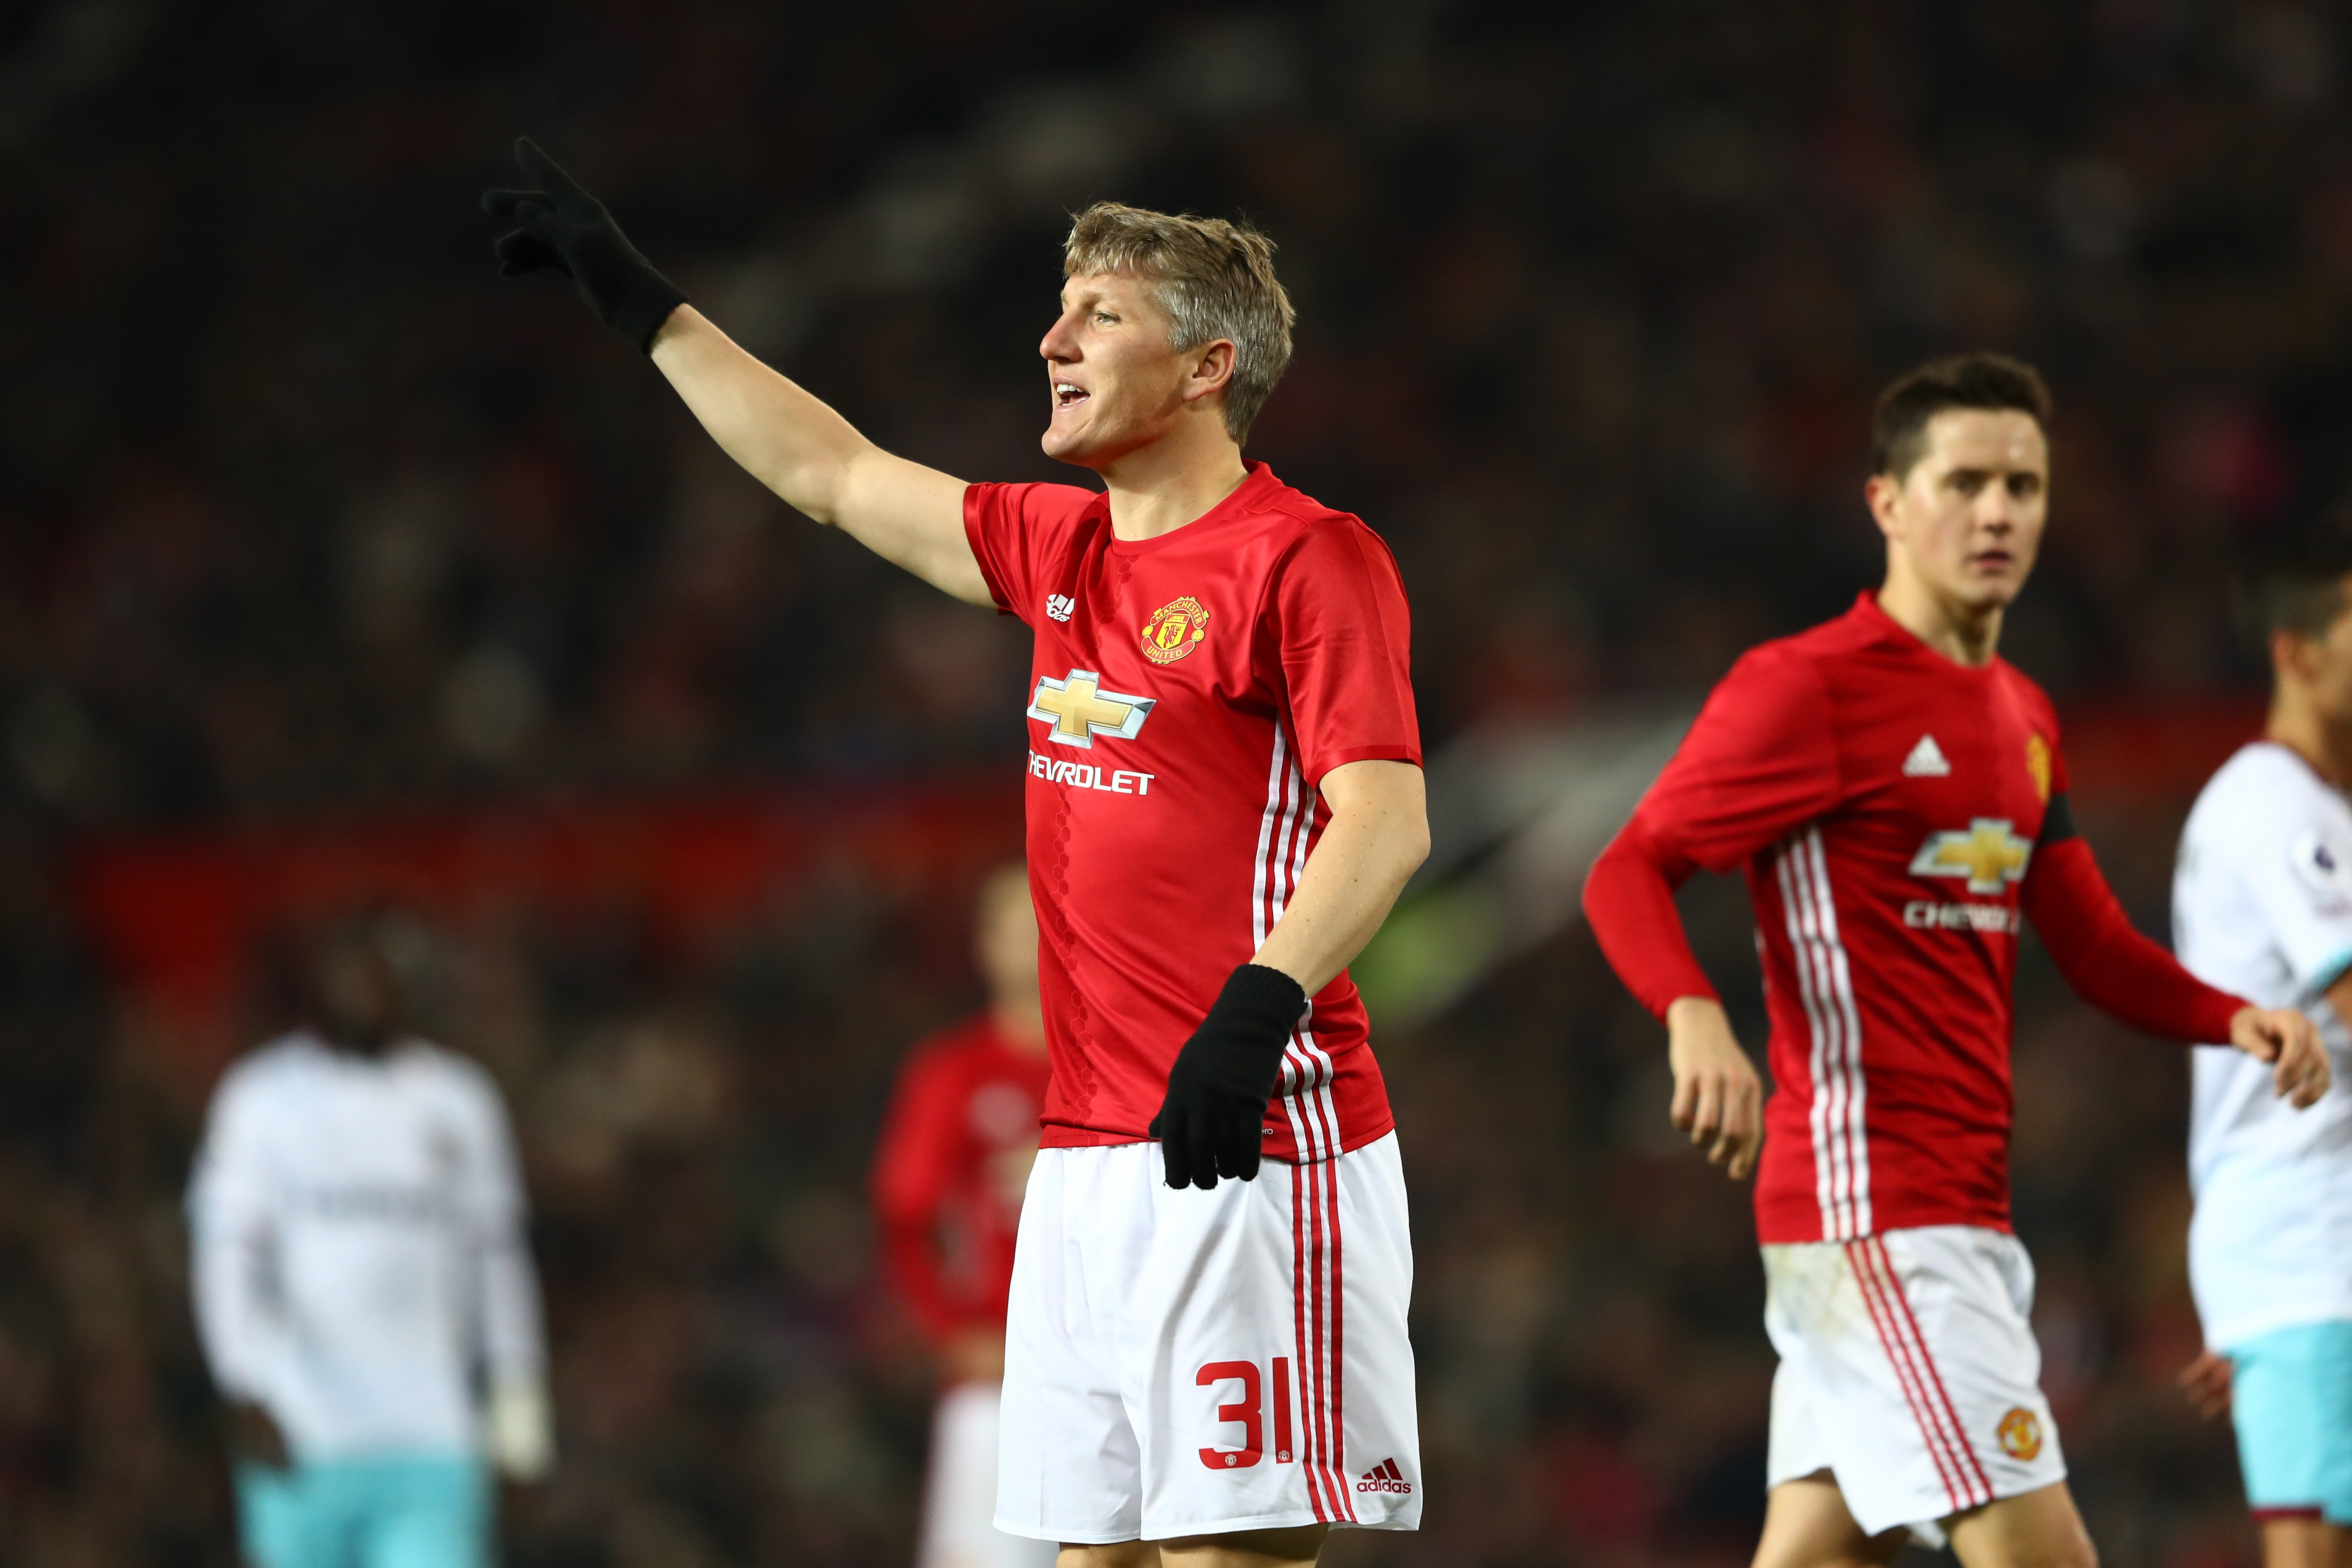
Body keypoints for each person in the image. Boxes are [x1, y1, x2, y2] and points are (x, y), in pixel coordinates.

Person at [482, 142, 1429, 1567]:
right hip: (1086, 1158)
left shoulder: (1306, 558)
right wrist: (647, 306)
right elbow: (833, 472)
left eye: (1100, 313)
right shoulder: (1063, 551)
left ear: (1205, 367)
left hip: (1254, 1137)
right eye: (1060, 308)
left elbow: (1388, 816)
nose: (1052, 337)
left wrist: (1260, 1003)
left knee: (1228, 1556)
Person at [1579, 352, 2330, 1568]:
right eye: (1967, 481)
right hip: (1876, 1211)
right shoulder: (1806, 688)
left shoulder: (2021, 714)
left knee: (1817, 1552)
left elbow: (2087, 941)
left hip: (1951, 1212)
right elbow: (1628, 867)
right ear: (1888, 502)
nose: (1999, 513)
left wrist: (2233, 1016)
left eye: (2025, 487)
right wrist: (1691, 1015)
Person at [188, 910, 552, 1568]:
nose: (366, 991)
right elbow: (227, 1256)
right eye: (349, 976)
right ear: (318, 986)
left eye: (384, 975)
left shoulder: (459, 1101)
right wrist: (239, 1386)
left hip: (431, 1434)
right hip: (302, 1431)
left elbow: (499, 1263)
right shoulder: (261, 1098)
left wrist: (520, 1419)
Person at [2173, 532, 2352, 1568]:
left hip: (2295, 1247)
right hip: (2309, 1240)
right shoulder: (2278, 804)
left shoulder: (2305, 804)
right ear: (2298, 652)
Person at [873, 865, 1058, 1568]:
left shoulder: (1127, 1070)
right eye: (1014, 923)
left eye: (1045, 918)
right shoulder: (951, 1074)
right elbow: (905, 1220)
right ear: (985, 944)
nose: (1032, 939)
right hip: (1001, 1389)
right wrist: (950, 1334)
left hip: (1118, 1381)